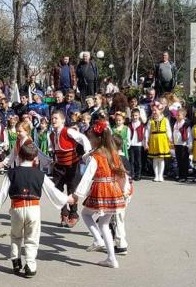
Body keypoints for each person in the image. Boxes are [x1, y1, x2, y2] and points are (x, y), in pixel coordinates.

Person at [0, 143, 68, 278]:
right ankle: (30, 265)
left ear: (18, 157)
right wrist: (66, 199)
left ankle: (16, 261)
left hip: (17, 208)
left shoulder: (11, 173)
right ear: (35, 158)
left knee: (16, 236)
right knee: (32, 238)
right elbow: (52, 191)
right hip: (33, 209)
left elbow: (3, 193)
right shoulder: (40, 174)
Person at [68, 119, 128, 268]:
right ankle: (111, 258)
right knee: (104, 223)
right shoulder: (113, 153)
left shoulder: (97, 156)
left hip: (101, 188)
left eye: (91, 138)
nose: (90, 140)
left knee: (86, 214)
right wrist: (125, 189)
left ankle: (99, 241)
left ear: (98, 139)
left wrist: (77, 194)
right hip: (114, 189)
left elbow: (87, 176)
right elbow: (122, 174)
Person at [50, 110, 92, 227]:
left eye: (56, 118)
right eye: (52, 118)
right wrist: (52, 161)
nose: (53, 120)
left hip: (72, 165)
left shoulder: (68, 131)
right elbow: (55, 150)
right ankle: (64, 212)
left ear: (63, 120)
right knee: (56, 190)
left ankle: (74, 215)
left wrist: (87, 152)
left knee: (72, 190)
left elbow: (82, 138)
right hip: (59, 166)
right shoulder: (52, 134)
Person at [144, 101, 172, 182]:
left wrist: (170, 139)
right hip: (154, 140)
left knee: (161, 159)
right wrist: (146, 141)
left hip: (162, 140)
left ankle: (161, 175)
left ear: (160, 110)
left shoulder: (165, 120)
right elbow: (147, 131)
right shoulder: (150, 121)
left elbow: (168, 130)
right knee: (155, 159)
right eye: (153, 110)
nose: (154, 112)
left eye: (155, 110)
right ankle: (156, 175)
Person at [172, 107, 191, 182]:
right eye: (176, 115)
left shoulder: (186, 124)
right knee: (179, 160)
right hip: (177, 144)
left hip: (184, 145)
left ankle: (184, 176)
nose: (177, 116)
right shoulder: (175, 123)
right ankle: (180, 175)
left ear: (183, 116)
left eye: (179, 115)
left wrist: (189, 145)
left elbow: (189, 135)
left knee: (184, 161)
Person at [128, 108, 145, 181]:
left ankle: (138, 175)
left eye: (136, 115)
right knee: (131, 160)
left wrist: (144, 144)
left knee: (138, 161)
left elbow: (144, 135)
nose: (134, 117)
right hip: (131, 144)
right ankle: (132, 174)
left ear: (139, 116)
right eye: (133, 115)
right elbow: (128, 135)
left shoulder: (142, 125)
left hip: (139, 144)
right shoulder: (129, 125)